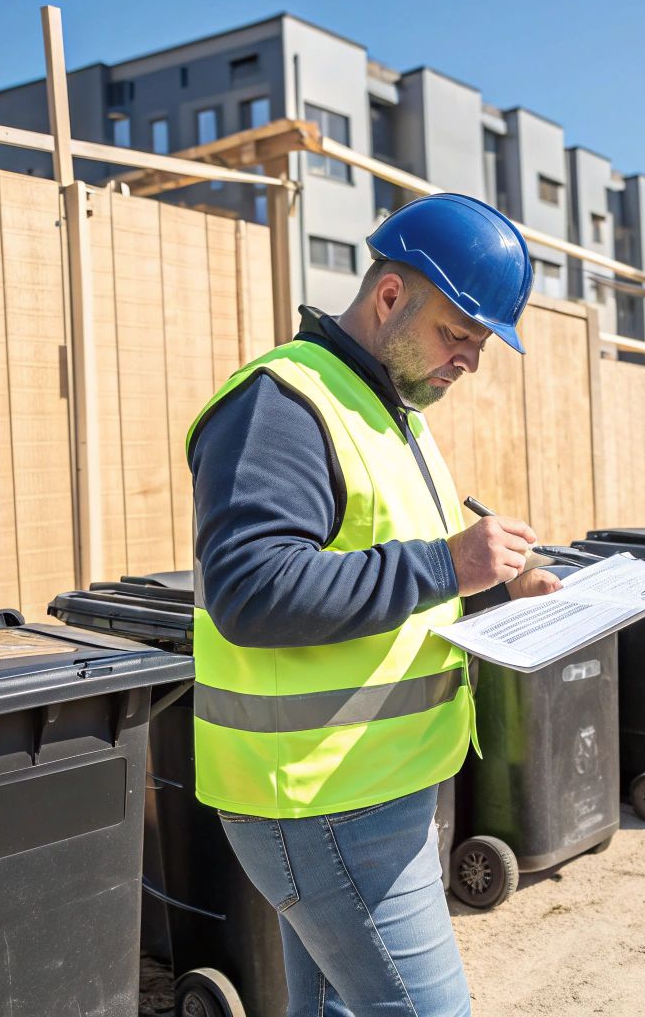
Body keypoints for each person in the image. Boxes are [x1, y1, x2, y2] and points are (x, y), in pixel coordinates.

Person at [186, 193, 559, 1016]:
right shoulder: (281, 403)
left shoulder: (394, 410)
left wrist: (503, 584)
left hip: (375, 788)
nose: (468, 361)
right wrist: (449, 562)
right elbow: (252, 590)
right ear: (390, 296)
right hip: (324, 801)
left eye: (481, 345)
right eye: (456, 335)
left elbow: (399, 567)